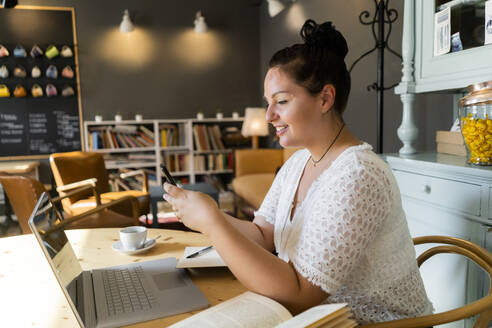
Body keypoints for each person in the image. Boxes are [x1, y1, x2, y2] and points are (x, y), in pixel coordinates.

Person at [164, 19, 433, 324]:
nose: (269, 115)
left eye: (281, 101)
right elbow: (264, 235)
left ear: (325, 99)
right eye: (269, 103)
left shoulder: (358, 175)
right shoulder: (299, 161)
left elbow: (302, 295)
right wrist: (207, 213)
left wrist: (213, 223)